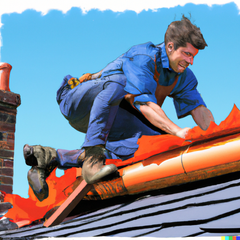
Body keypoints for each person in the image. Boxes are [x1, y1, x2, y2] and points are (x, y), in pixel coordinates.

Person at [24, 15, 214, 201]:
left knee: (156, 143)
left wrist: (216, 136)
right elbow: (145, 104)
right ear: (170, 46)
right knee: (121, 82)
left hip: (114, 115)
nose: (190, 61)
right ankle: (92, 161)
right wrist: (178, 131)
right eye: (187, 54)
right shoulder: (143, 57)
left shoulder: (184, 76)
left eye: (193, 56)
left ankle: (48, 157)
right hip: (78, 102)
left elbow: (199, 110)